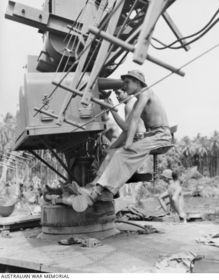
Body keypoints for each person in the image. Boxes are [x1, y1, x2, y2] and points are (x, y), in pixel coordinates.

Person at [58, 70, 172, 212]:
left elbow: (135, 119)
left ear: (137, 82)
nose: (124, 86)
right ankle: (98, 187)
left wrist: (129, 143)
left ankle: (96, 191)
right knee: (114, 152)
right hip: (153, 136)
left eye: (127, 83)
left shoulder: (145, 92)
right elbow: (126, 127)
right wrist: (111, 112)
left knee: (121, 154)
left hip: (161, 136)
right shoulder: (137, 102)